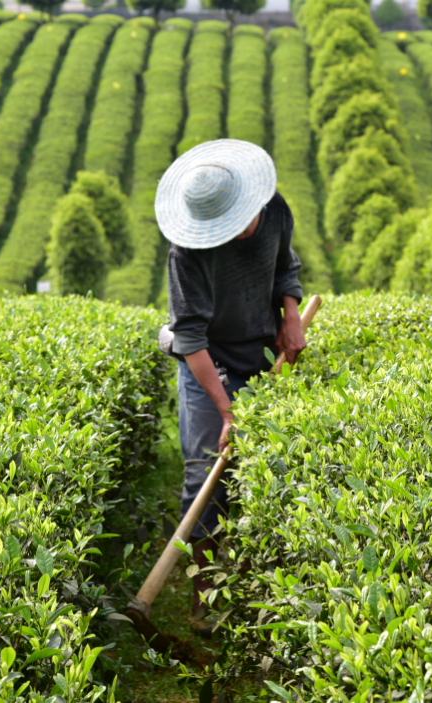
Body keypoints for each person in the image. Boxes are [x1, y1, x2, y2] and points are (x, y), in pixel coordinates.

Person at [155, 139, 307, 636]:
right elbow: (191, 338)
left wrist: (290, 315)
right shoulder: (187, 253)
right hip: (208, 363)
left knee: (266, 473)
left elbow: (287, 266)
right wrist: (225, 411)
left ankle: (251, 595)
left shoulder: (276, 209)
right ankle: (202, 605)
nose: (233, 232)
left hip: (264, 353)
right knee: (205, 478)